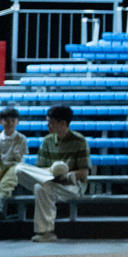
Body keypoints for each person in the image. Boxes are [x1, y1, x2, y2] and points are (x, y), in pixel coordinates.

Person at [21, 104, 94, 243]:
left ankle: (46, 232)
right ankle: (46, 232)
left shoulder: (79, 141)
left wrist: (67, 175)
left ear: (63, 123)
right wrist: (51, 172)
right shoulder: (47, 140)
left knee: (40, 188)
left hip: (72, 184)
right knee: (19, 169)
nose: (48, 126)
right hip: (49, 179)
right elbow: (38, 169)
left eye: (52, 123)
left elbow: (84, 173)